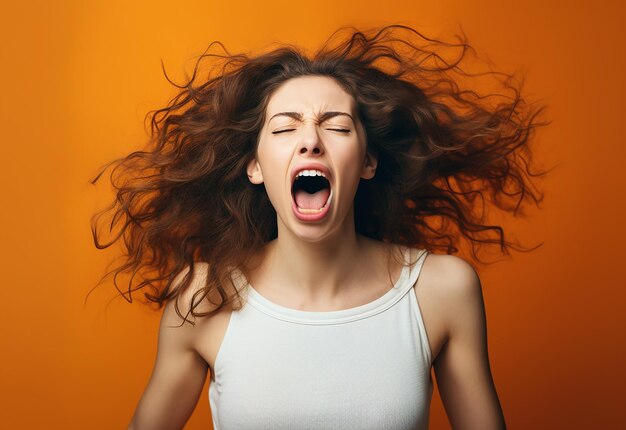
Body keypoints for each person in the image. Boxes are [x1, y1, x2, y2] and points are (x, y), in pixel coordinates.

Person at [91, 24, 546, 430]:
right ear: (254, 166)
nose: (310, 140)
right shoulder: (203, 297)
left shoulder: (440, 291)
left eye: (337, 127)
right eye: (285, 128)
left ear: (367, 163)